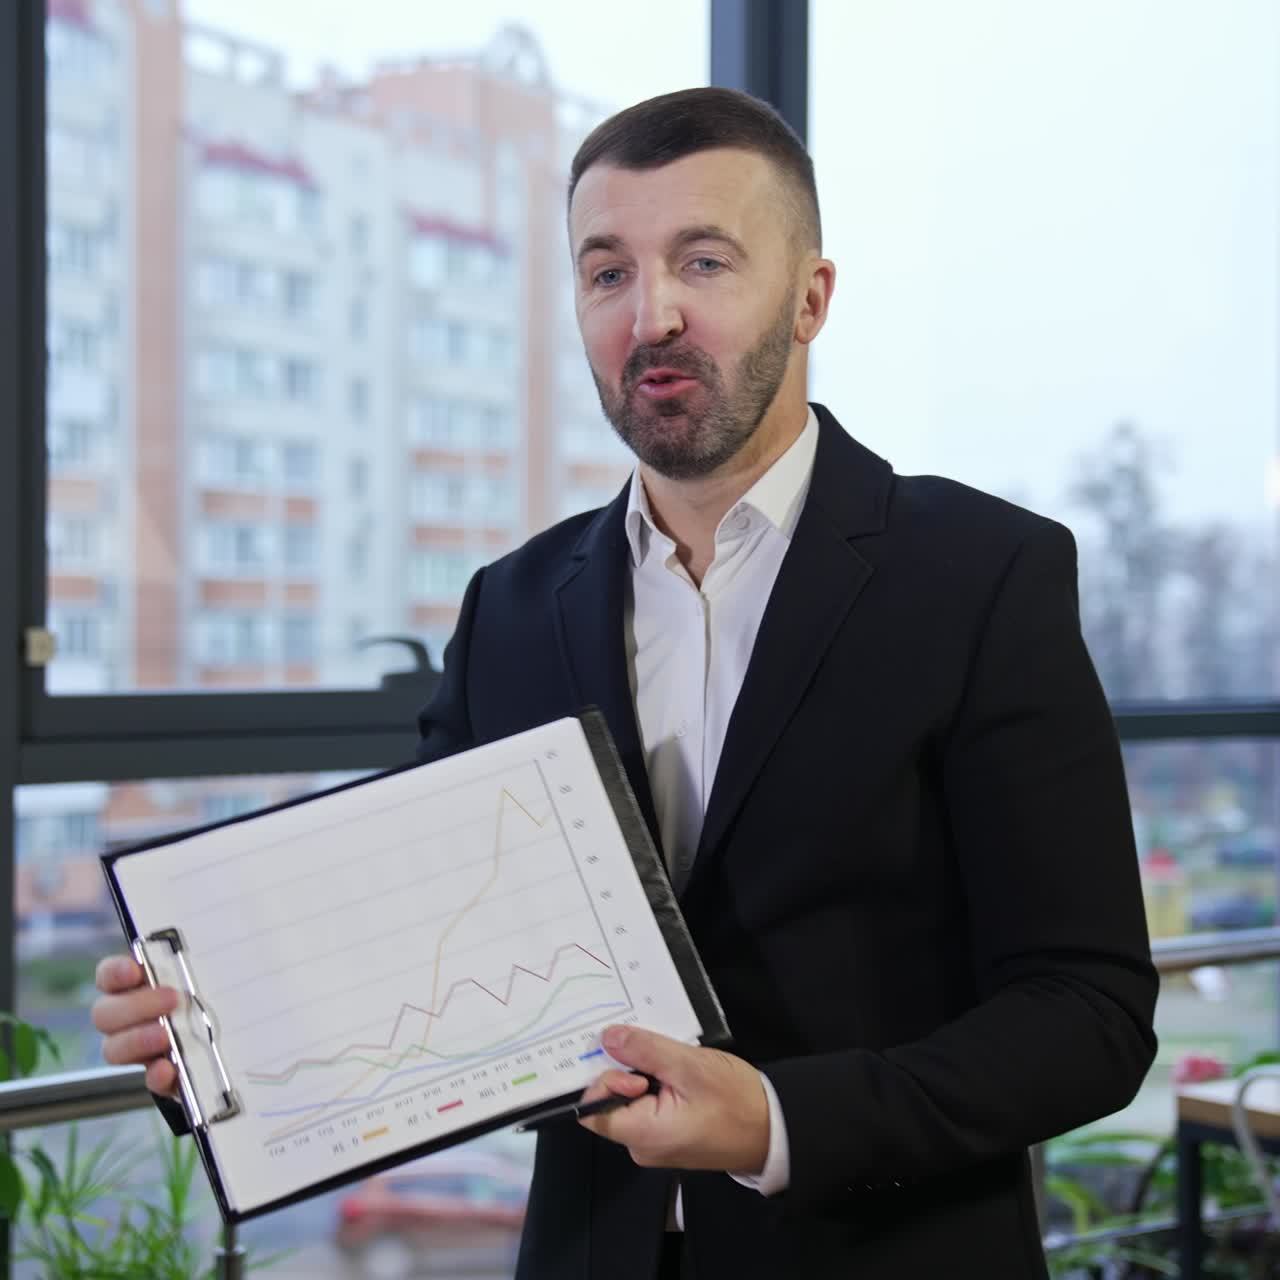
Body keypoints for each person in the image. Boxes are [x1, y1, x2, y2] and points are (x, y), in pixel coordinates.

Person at [93, 87, 1158, 1279]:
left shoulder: (980, 575)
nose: (651, 314)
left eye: (702, 261)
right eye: (606, 273)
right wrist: (209, 1026)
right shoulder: (509, 606)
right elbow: (419, 948)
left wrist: (772, 1119)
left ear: (810, 297)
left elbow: (1086, 1011)